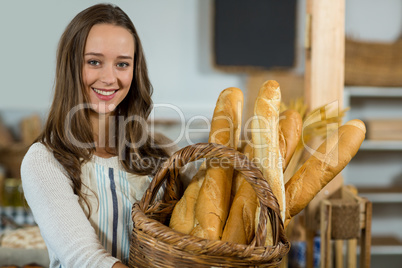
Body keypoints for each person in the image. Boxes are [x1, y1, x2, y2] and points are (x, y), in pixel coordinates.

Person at [21, 3, 190, 267]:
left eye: (122, 64)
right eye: (94, 62)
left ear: (135, 71)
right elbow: (85, 258)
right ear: (71, 66)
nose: (109, 78)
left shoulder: (160, 152)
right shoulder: (44, 161)